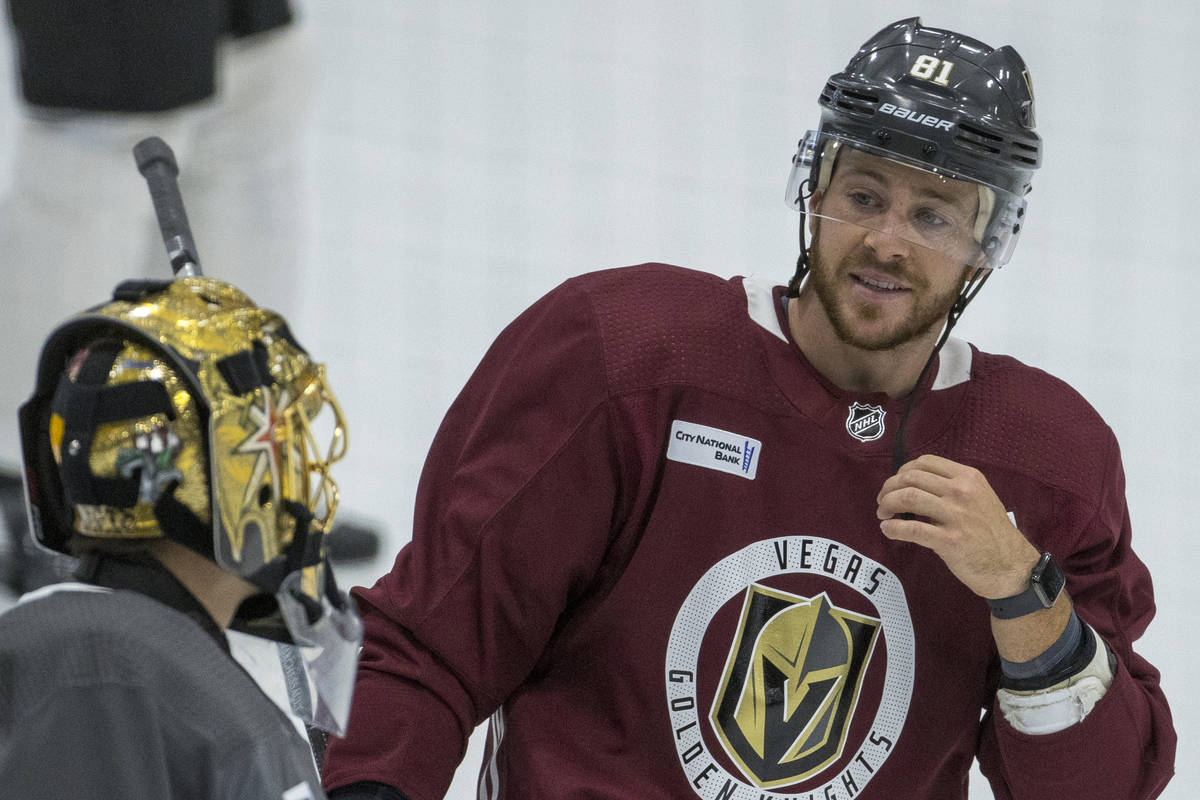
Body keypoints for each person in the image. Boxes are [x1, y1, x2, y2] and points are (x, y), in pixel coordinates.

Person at [321, 18, 1176, 800]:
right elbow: (431, 643)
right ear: (813, 186)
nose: (886, 240)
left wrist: (1025, 595)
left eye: (933, 216)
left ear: (989, 245)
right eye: (865, 195)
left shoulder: (1046, 460)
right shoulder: (620, 360)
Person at [0, 275, 361, 798]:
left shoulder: (127, 656)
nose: (299, 486)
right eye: (279, 450)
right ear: (227, 485)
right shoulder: (103, 678)